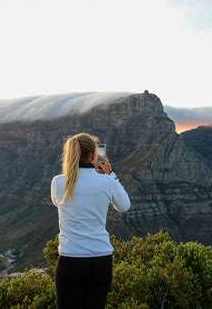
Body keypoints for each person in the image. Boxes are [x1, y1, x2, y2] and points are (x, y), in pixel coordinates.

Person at [50, 132, 131, 309]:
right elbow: (124, 205)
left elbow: (57, 202)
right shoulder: (106, 182)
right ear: (95, 155)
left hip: (70, 261)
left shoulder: (58, 182)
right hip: (100, 260)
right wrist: (109, 173)